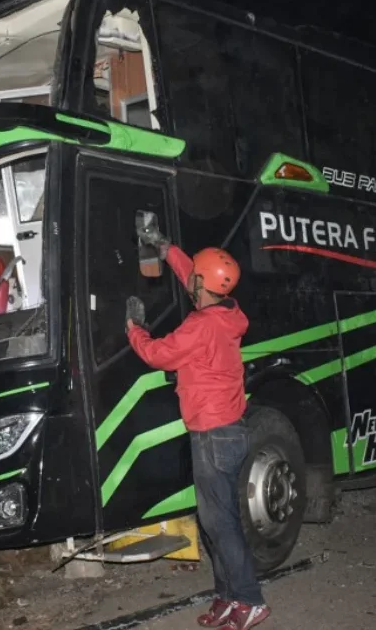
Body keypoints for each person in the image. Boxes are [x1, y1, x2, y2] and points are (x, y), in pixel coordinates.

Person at [123, 236, 270, 629]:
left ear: (203, 287)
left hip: (211, 434)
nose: (190, 283)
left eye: (195, 280)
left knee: (219, 523)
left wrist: (134, 328)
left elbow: (158, 354)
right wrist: (167, 248)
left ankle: (250, 600)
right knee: (218, 521)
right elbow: (195, 275)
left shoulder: (201, 325)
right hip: (228, 431)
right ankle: (228, 597)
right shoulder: (228, 312)